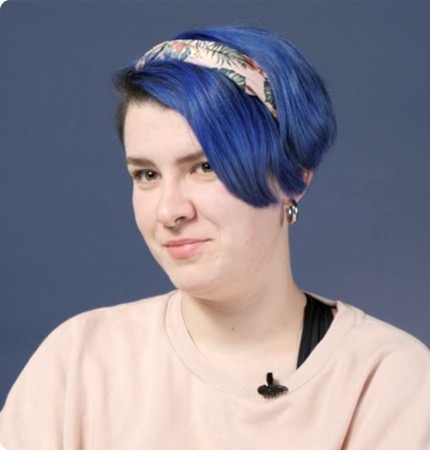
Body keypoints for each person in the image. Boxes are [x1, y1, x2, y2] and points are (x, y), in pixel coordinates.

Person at [0, 26, 429, 450]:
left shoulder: (388, 381)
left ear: (294, 178)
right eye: (146, 174)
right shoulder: (79, 362)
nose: (169, 211)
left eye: (204, 167)